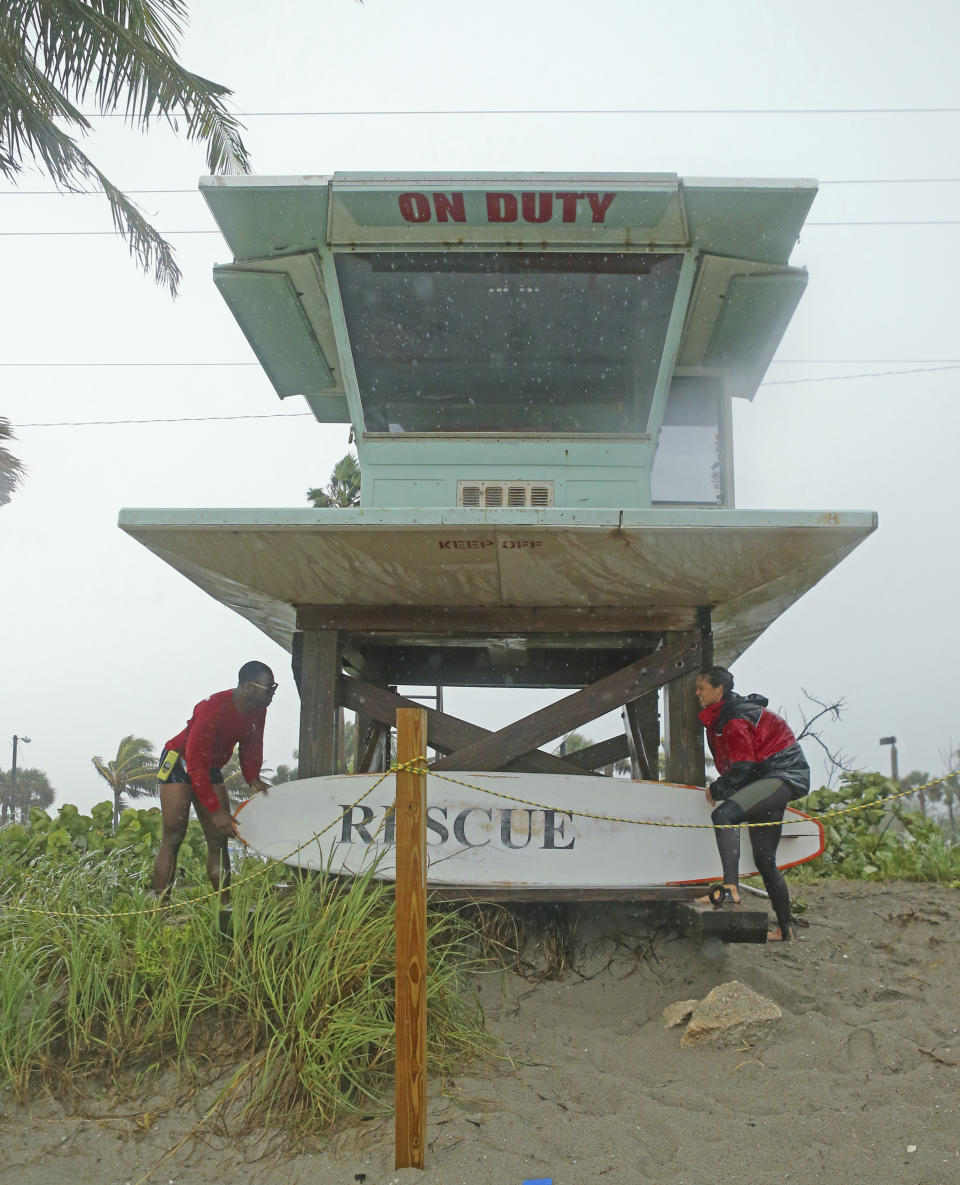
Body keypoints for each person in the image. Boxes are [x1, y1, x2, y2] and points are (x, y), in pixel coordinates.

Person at [694, 666, 810, 941]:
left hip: (782, 775)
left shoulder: (735, 718)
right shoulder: (722, 716)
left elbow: (744, 765)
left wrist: (719, 787)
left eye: (701, 688)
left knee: (724, 815)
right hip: (768, 779)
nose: (696, 693)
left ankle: (730, 888)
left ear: (718, 690)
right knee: (764, 859)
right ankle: (786, 929)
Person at [151, 661, 276, 899]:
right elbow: (195, 765)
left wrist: (253, 778)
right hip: (180, 759)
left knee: (219, 837)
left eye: (273, 688)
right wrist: (215, 810)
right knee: (174, 834)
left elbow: (252, 744)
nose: (271, 694)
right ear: (248, 687)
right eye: (268, 688)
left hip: (209, 765)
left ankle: (225, 906)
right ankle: (160, 907)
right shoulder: (212, 708)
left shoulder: (258, 710)